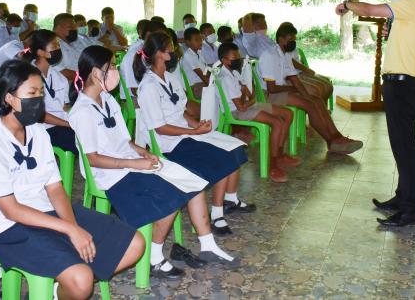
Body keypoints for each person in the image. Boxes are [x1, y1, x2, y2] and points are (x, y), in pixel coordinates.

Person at [0, 60, 144, 299]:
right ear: (9, 98)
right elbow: (11, 210)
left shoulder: (36, 130)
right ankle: (73, 281)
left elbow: (55, 187)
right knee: (81, 279)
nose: (39, 99)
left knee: (135, 244)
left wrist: (73, 227)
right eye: (32, 93)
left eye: (41, 93)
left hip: (46, 211)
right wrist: (69, 229)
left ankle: (60, 290)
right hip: (6, 228)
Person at [72, 45, 236, 277]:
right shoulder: (82, 111)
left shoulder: (107, 100)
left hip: (130, 162)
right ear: (96, 72)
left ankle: (208, 245)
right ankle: (154, 257)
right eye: (113, 67)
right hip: (112, 174)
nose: (117, 71)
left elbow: (124, 141)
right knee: (172, 195)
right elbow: (93, 159)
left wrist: (144, 153)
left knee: (192, 181)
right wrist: (134, 164)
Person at [336, 0, 415, 227]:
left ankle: (411, 211)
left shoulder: (412, 3)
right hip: (402, 85)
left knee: (404, 149)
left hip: (403, 87)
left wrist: (346, 4)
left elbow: (369, 10)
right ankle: (402, 198)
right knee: (402, 147)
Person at [136, 31, 254, 238]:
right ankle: (217, 214)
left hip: (186, 134)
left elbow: (180, 111)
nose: (175, 51)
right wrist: (192, 131)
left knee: (235, 148)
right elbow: (160, 127)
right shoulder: (148, 86)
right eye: (171, 48)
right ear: (160, 54)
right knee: (223, 158)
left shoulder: (169, 78)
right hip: (170, 143)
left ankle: (228, 201)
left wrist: (197, 124)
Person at [259, 23, 363, 155]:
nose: (293, 43)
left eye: (294, 40)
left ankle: (337, 137)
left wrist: (306, 95)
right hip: (268, 95)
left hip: (282, 90)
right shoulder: (269, 55)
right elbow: (272, 88)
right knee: (309, 105)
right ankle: (331, 141)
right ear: (281, 39)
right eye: (290, 40)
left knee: (316, 100)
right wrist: (295, 91)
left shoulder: (285, 55)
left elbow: (295, 80)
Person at [217, 42, 298, 183]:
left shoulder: (234, 72)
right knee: (277, 122)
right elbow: (241, 107)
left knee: (287, 113)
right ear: (224, 60)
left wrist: (248, 95)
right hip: (236, 111)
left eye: (238, 56)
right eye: (234, 58)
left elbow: (251, 95)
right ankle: (273, 164)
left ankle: (279, 154)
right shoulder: (225, 78)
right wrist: (247, 96)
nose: (238, 60)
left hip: (248, 106)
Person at [18, 29, 77, 153]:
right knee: (81, 141)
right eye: (54, 46)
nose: (58, 49)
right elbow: (37, 115)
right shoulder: (26, 76)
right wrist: (68, 124)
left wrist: (77, 117)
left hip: (61, 125)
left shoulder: (59, 77)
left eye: (58, 45)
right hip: (39, 128)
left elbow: (65, 107)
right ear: (40, 52)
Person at [123, 20, 164, 99]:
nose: (162, 41)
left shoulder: (153, 51)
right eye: (160, 37)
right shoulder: (134, 54)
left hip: (153, 92)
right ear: (148, 35)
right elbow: (134, 90)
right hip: (135, 98)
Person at [54, 13, 84, 83]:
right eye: (70, 27)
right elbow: (59, 71)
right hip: (67, 86)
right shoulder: (53, 45)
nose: (75, 29)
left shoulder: (74, 43)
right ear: (59, 28)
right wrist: (85, 77)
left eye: (75, 27)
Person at [181, 27, 209, 99]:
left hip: (202, 84)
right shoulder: (188, 55)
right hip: (194, 88)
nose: (200, 42)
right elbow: (201, 75)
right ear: (188, 42)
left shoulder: (199, 53)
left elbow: (206, 70)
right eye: (196, 40)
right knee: (218, 89)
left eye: (200, 39)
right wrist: (213, 84)